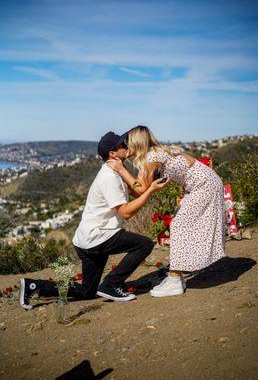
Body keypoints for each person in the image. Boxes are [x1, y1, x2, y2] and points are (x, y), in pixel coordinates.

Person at [19, 131, 168, 309]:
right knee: (144, 244)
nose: (127, 147)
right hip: (98, 237)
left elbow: (137, 191)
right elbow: (126, 212)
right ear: (113, 154)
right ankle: (112, 284)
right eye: (122, 145)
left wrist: (139, 181)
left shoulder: (116, 170)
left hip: (86, 239)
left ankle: (33, 286)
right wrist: (150, 191)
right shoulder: (109, 178)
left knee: (87, 291)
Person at [107, 125, 225, 298]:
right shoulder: (152, 154)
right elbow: (141, 187)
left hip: (204, 185)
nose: (125, 147)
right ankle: (176, 276)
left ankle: (175, 279)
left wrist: (121, 170)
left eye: (127, 143)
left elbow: (140, 190)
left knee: (178, 225)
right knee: (179, 224)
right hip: (201, 184)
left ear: (137, 143)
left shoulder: (151, 158)